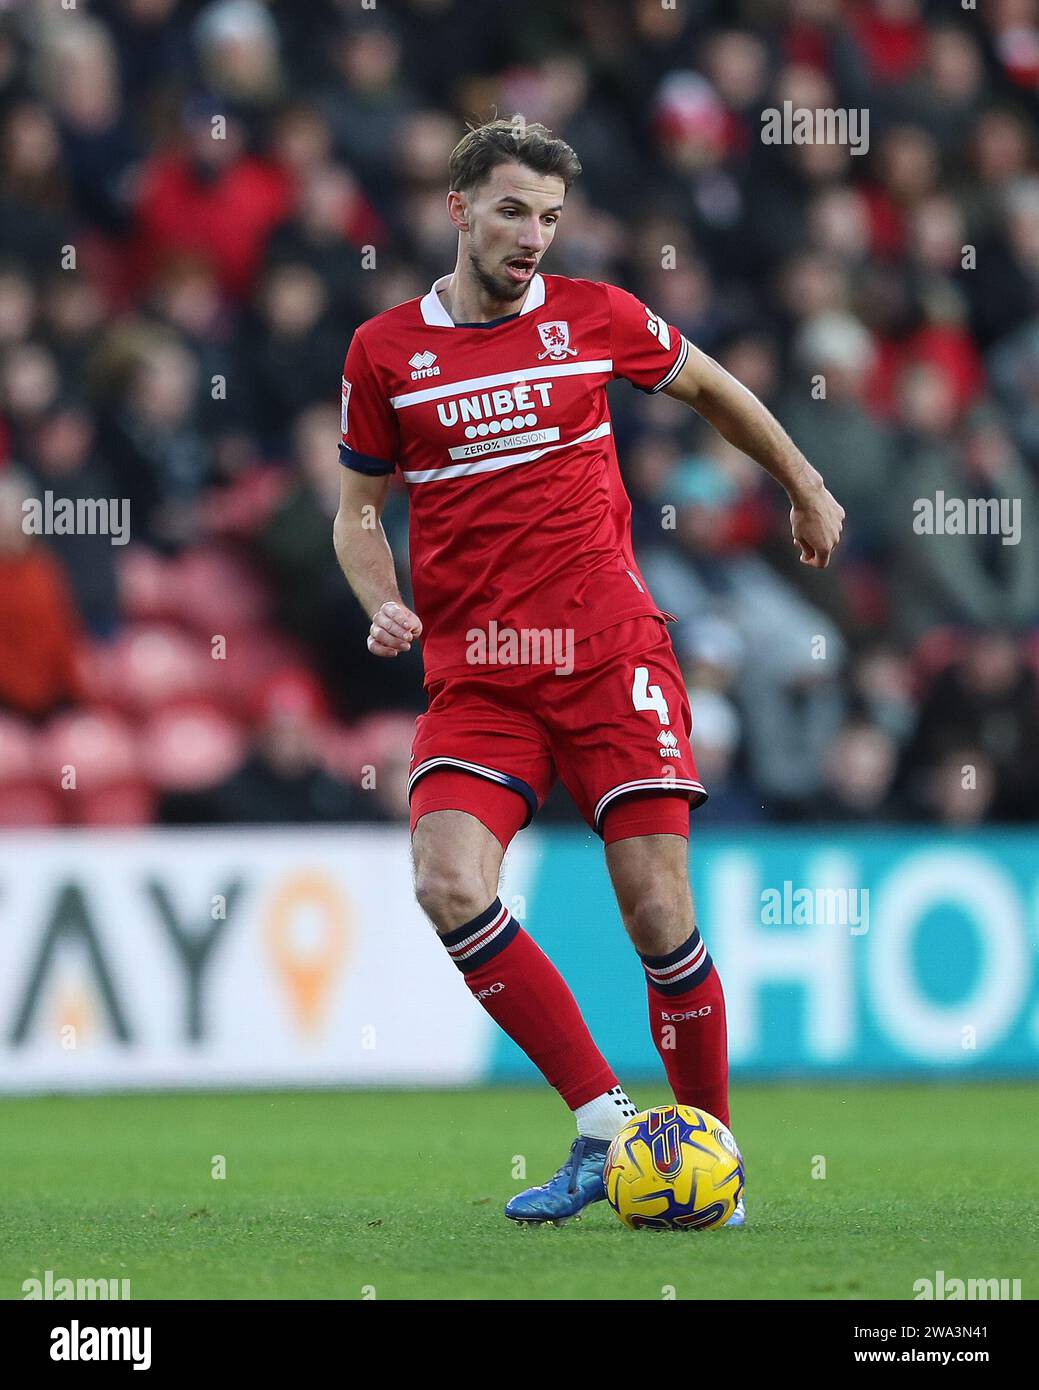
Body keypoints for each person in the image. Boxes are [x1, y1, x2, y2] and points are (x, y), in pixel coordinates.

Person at [333, 119, 844, 1226]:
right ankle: (607, 1125)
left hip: (609, 654)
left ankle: (712, 1159)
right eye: (514, 210)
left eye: (552, 217)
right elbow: (357, 512)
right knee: (445, 880)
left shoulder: (594, 316)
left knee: (658, 910)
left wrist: (801, 481)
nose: (534, 237)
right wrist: (381, 596)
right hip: (480, 675)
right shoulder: (383, 353)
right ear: (458, 206)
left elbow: (711, 388)